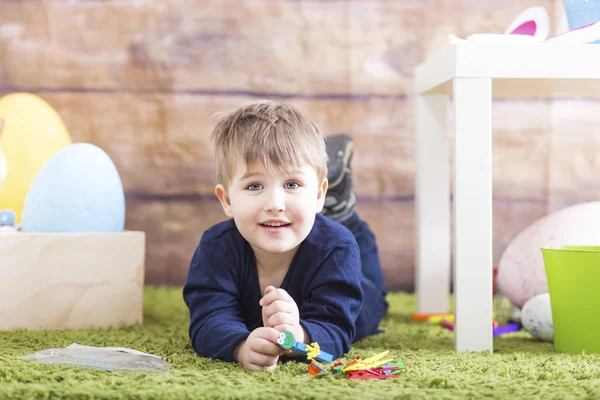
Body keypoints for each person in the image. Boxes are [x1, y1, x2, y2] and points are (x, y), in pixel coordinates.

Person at [183, 100, 387, 372]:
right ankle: (326, 203)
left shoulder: (337, 247)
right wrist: (242, 346)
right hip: (309, 229)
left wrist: (299, 336)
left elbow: (336, 328)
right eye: (255, 185)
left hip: (344, 270)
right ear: (227, 200)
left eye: (292, 184)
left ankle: (345, 214)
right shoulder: (217, 247)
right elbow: (208, 320)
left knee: (374, 302)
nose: (275, 203)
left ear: (317, 194)